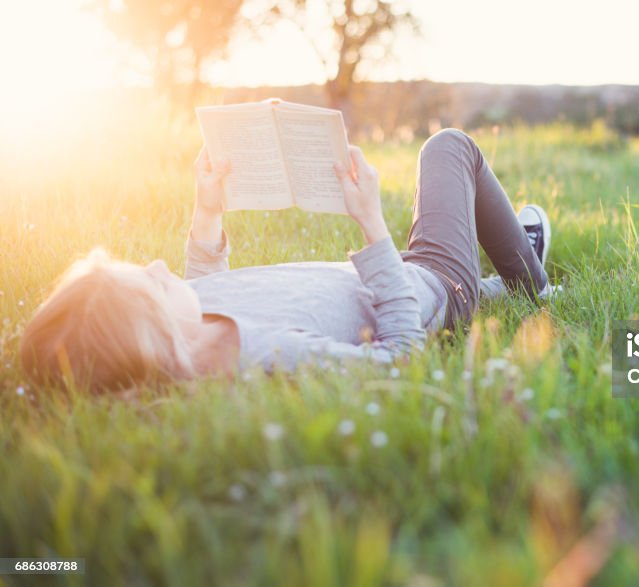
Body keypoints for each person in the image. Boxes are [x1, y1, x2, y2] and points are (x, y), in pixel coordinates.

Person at [19, 128, 553, 393]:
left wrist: (207, 211)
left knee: (449, 221)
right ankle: (530, 281)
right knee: (448, 147)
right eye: (154, 287)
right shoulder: (264, 354)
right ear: (159, 340)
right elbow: (402, 360)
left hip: (383, 277)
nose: (159, 269)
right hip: (430, 286)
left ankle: (499, 277)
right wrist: (370, 222)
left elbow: (205, 291)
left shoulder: (193, 328)